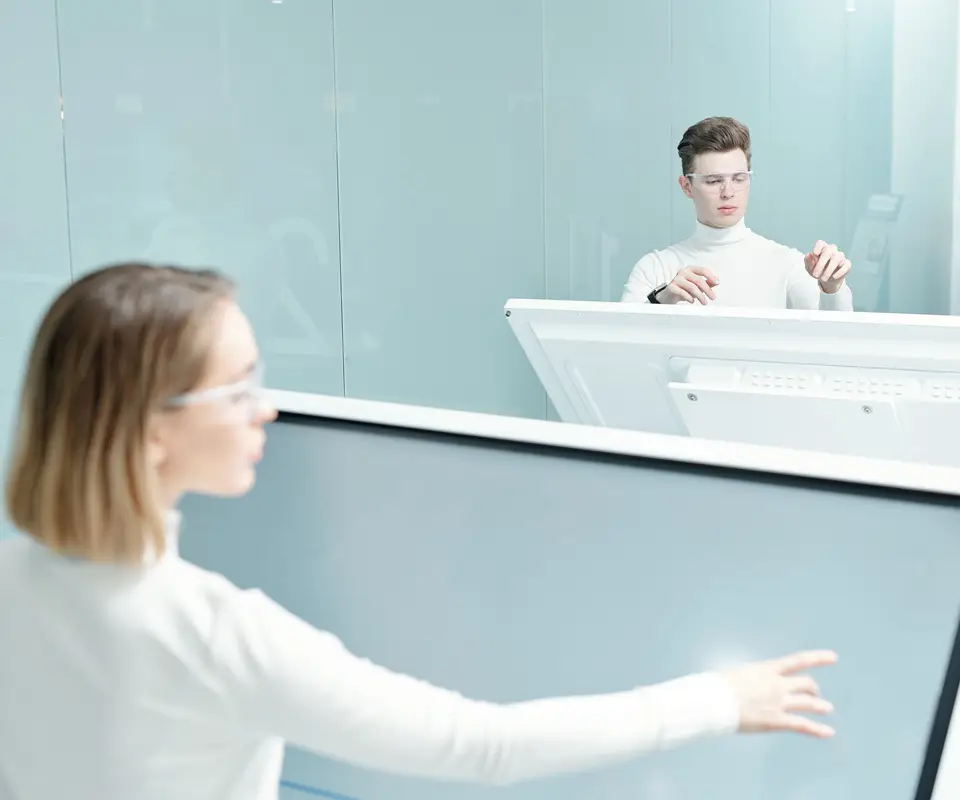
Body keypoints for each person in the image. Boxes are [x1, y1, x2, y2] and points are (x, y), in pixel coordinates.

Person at [0, 262, 838, 799]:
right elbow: (484, 747)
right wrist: (718, 700)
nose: (266, 408)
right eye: (237, 389)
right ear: (152, 430)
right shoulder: (217, 635)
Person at [621, 116, 854, 310]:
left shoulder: (788, 265)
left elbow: (834, 339)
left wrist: (833, 288)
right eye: (714, 181)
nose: (728, 192)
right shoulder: (654, 269)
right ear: (686, 186)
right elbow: (621, 342)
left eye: (739, 178)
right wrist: (660, 301)